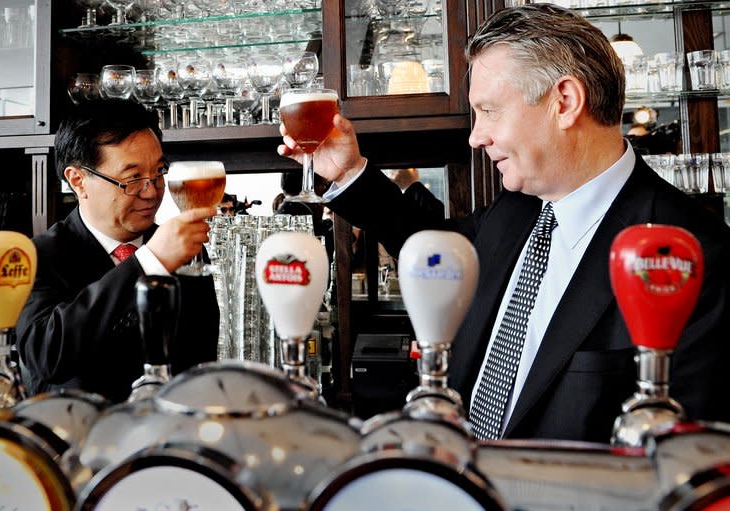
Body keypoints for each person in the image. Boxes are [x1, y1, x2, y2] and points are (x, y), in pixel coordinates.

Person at [278, 4, 730, 442]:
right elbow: (431, 252)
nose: (476, 136)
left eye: (489, 110)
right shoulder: (516, 209)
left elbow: (684, 467)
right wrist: (347, 172)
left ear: (565, 102)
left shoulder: (693, 256)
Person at [16, 99, 220, 403]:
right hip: (77, 439)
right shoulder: (37, 255)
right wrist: (149, 261)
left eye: (159, 172)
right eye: (133, 178)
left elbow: (201, 357)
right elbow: (47, 356)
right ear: (78, 180)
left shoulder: (182, 249)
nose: (151, 192)